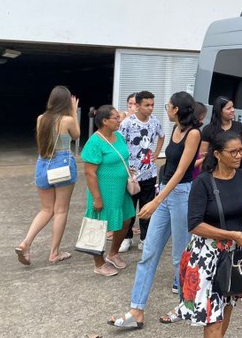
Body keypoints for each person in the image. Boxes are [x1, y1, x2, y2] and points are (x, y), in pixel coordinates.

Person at [108, 91, 201, 329]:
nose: (164, 109)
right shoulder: (176, 129)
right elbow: (169, 165)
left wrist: (156, 200)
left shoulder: (193, 133)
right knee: (148, 252)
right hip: (166, 193)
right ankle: (136, 311)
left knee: (180, 256)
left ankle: (186, 307)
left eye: (168, 106)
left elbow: (181, 172)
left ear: (177, 109)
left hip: (181, 195)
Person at [176, 130, 242, 337]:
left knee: (227, 307)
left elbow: (238, 203)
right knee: (212, 317)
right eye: (233, 152)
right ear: (217, 154)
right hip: (207, 256)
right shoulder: (203, 182)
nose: (239, 155)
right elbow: (194, 225)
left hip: (233, 255)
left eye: (240, 150)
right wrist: (232, 235)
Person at [16, 85, 80, 265]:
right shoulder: (67, 119)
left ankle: (26, 243)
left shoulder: (40, 119)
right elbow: (76, 135)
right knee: (60, 210)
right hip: (62, 164)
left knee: (46, 209)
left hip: (43, 163)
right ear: (66, 101)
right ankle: (54, 253)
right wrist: (74, 112)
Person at [81, 105, 135, 276]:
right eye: (116, 118)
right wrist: (97, 198)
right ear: (105, 121)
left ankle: (113, 253)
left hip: (120, 190)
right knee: (98, 226)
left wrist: (126, 170)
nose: (120, 121)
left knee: (126, 220)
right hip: (103, 191)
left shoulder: (118, 136)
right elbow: (90, 173)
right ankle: (99, 263)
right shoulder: (94, 142)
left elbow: (122, 157)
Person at [118, 91, 165, 252]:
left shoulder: (154, 122)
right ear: (136, 105)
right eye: (147, 105)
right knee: (129, 208)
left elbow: (162, 136)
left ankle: (145, 238)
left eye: (152, 105)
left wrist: (157, 153)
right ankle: (126, 237)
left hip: (149, 173)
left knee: (147, 207)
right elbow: (119, 143)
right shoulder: (127, 123)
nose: (151, 108)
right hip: (132, 175)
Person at [199, 96, 242, 167]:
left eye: (233, 107)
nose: (233, 110)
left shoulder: (239, 126)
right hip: (214, 169)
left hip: (235, 169)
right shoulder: (208, 129)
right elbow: (202, 154)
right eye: (229, 108)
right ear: (220, 112)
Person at [191, 101, 208, 179]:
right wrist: (204, 159)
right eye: (202, 118)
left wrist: (200, 156)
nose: (202, 122)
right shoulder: (194, 134)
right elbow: (191, 164)